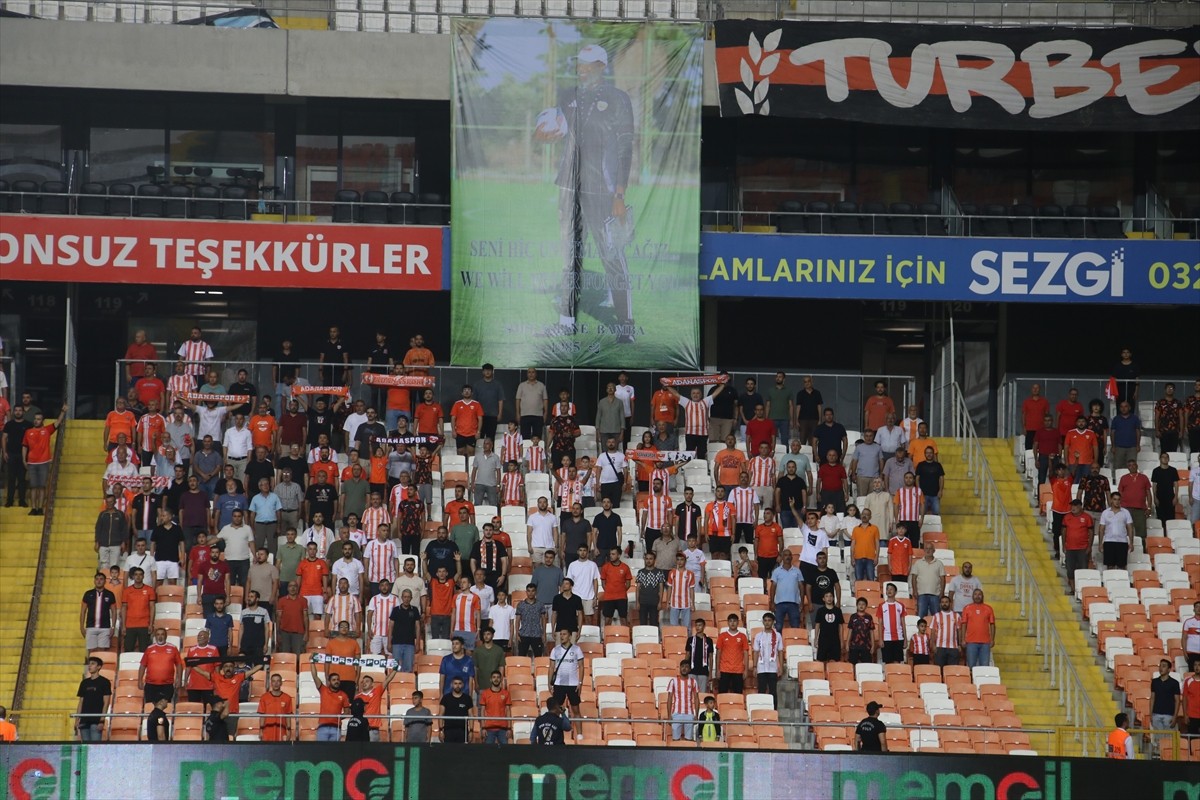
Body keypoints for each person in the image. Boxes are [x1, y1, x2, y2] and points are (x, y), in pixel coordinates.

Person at [23, 404, 67, 516]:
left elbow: (57, 423)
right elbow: (24, 446)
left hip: (44, 462)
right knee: (33, 487)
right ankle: (33, 508)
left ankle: (40, 508)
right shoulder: (28, 432)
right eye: (35, 419)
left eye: (38, 419)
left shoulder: (47, 430)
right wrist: (24, 459)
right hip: (32, 462)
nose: (36, 421)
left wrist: (62, 411)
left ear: (43, 420)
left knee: (42, 486)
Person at [548, 629, 585, 734]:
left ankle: (579, 734)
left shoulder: (577, 649)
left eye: (564, 634)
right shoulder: (555, 650)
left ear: (569, 636)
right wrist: (549, 683)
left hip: (572, 684)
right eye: (560, 634)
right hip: (559, 684)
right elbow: (551, 667)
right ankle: (555, 733)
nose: (562, 636)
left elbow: (581, 666)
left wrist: (580, 682)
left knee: (576, 710)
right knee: (555, 710)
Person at [309, 658, 351, 741]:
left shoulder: (343, 695)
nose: (336, 681)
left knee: (334, 752)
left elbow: (347, 712)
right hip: (322, 727)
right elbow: (314, 676)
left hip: (336, 728)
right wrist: (312, 662)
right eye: (334, 680)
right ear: (329, 682)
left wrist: (337, 717)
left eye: (338, 680)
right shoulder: (323, 690)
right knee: (321, 751)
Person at [139, 627, 183, 705]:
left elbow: (179, 664)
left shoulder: (173, 648)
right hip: (150, 685)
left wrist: (179, 679)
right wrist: (139, 680)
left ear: (166, 636)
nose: (160, 636)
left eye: (162, 634)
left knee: (165, 708)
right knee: (150, 708)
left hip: (167, 685)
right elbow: (142, 665)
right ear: (155, 636)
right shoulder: (149, 649)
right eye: (158, 634)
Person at [1149, 658, 1182, 757]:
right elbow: (1152, 698)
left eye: (1164, 666)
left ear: (1169, 669)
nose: (1161, 668)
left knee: (1168, 740)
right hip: (1156, 714)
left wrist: (1175, 716)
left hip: (1169, 715)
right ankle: (1158, 757)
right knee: (1158, 740)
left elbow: (1177, 700)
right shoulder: (1154, 682)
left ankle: (1168, 758)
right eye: (1160, 665)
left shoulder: (1174, 683)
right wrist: (1150, 714)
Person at [75, 655, 112, 742]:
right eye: (89, 664)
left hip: (96, 719)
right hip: (84, 719)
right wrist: (77, 719)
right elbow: (81, 702)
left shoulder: (104, 682)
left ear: (99, 667)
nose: (90, 666)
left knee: (95, 746)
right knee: (85, 746)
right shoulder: (84, 683)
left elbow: (106, 702)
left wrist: (102, 721)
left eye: (92, 664)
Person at [80, 571, 118, 653]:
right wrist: (81, 627)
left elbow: (114, 611)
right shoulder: (88, 594)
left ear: (105, 581)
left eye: (101, 579)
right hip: (90, 627)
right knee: (92, 652)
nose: (99, 581)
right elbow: (83, 611)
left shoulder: (110, 594)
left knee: (102, 653)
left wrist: (113, 627)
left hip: (105, 627)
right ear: (94, 581)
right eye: (97, 579)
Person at [959, 589, 996, 669]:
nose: (977, 596)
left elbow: (992, 625)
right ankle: (972, 681)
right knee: (971, 666)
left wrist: (992, 639)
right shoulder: (967, 608)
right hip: (971, 642)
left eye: (979, 594)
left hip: (985, 643)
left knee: (985, 667)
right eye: (975, 594)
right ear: (972, 596)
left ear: (982, 596)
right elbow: (963, 624)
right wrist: (963, 639)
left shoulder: (988, 608)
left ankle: (983, 682)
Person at [768, 549, 804, 630]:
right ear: (782, 558)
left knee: (795, 625)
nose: (787, 557)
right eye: (785, 555)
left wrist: (801, 602)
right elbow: (773, 587)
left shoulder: (797, 571)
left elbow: (801, 587)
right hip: (779, 603)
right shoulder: (776, 571)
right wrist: (772, 602)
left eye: (789, 555)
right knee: (778, 626)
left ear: (791, 557)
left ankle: (794, 642)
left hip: (794, 603)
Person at [909, 542, 946, 620]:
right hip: (921, 594)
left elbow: (943, 579)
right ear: (924, 550)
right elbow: (914, 578)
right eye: (926, 549)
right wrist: (915, 591)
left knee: (936, 618)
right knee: (921, 617)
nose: (928, 550)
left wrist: (942, 592)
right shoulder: (918, 563)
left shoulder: (939, 564)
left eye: (930, 549)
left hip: (935, 594)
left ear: (934, 551)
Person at [1099, 492, 1135, 569]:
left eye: (1119, 499)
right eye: (1115, 499)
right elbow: (1101, 529)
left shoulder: (1126, 512)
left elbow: (1130, 528)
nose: (1117, 501)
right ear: (1111, 500)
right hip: (1109, 541)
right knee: (1110, 566)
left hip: (1122, 542)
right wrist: (1100, 543)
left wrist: (1131, 543)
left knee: (1122, 566)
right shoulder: (1105, 513)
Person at [667, 658, 700, 741]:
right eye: (682, 666)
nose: (684, 668)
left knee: (689, 740)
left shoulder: (693, 682)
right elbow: (669, 699)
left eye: (686, 667)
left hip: (689, 714)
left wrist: (696, 715)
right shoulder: (673, 681)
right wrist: (669, 715)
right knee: (675, 740)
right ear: (680, 668)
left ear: (689, 669)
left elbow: (696, 699)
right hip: (676, 713)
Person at [752, 614, 783, 702]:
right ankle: (761, 710)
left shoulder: (778, 635)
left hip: (773, 668)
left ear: (773, 622)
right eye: (765, 620)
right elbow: (756, 652)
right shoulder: (758, 636)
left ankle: (773, 711)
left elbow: (780, 651)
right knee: (761, 690)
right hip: (761, 667)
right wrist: (754, 667)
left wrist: (780, 667)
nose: (767, 622)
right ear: (763, 622)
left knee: (773, 691)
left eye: (769, 620)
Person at [478, 669, 512, 745]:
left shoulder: (506, 693)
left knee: (505, 751)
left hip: (503, 728)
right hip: (489, 728)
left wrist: (509, 728)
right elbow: (482, 711)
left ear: (501, 679)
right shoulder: (485, 693)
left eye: (498, 677)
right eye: (494, 677)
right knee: (488, 752)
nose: (496, 679)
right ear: (491, 679)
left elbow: (508, 710)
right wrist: (483, 728)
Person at [439, 676, 476, 744]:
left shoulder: (467, 699)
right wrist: (441, 730)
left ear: (463, 685)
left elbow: (471, 715)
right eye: (455, 683)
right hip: (448, 730)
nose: (457, 685)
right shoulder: (446, 698)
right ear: (452, 685)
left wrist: (471, 731)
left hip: (462, 731)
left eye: (459, 683)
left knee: (462, 753)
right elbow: (441, 714)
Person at [876, 583, 906, 664]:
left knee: (897, 663)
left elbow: (903, 623)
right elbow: (880, 623)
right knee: (888, 663)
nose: (889, 591)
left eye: (891, 589)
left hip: (899, 637)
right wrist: (880, 639)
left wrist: (905, 639)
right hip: (886, 638)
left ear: (895, 592)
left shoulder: (900, 605)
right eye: (887, 589)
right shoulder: (881, 606)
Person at [812, 590, 845, 663]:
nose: (829, 598)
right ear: (823, 599)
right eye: (826, 596)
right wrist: (816, 638)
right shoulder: (820, 611)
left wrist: (841, 640)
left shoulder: (838, 611)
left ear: (833, 598)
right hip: (823, 639)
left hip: (835, 640)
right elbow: (817, 625)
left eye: (830, 596)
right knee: (820, 661)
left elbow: (840, 626)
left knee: (834, 661)